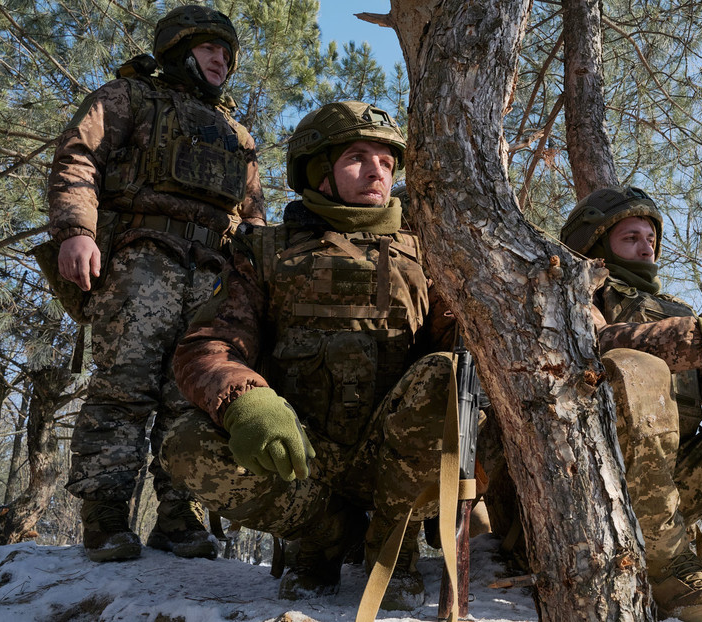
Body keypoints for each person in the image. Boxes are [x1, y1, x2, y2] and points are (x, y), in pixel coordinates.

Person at [160, 101, 456, 607]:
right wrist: (244, 400)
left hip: (393, 460)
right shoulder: (265, 250)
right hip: (299, 454)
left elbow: (461, 346)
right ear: (319, 171)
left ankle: (394, 544)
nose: (376, 172)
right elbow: (207, 346)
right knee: (184, 444)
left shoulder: (429, 253)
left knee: (452, 376)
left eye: (386, 162)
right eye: (357, 158)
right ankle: (322, 537)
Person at [46, 5, 265, 562]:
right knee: (124, 389)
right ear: (177, 51)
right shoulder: (128, 98)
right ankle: (105, 518)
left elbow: (254, 219)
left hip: (214, 276)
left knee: (195, 398)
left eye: (226, 52)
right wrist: (76, 230)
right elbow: (78, 159)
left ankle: (181, 520)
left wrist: (257, 284)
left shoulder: (238, 136)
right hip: (142, 261)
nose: (221, 59)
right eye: (208, 48)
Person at [560, 186, 702, 622]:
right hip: (591, 486)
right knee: (636, 366)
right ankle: (666, 568)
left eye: (650, 237)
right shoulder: (573, 295)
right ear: (593, 245)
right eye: (630, 237)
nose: (646, 246)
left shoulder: (675, 309)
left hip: (667, 488)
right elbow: (594, 346)